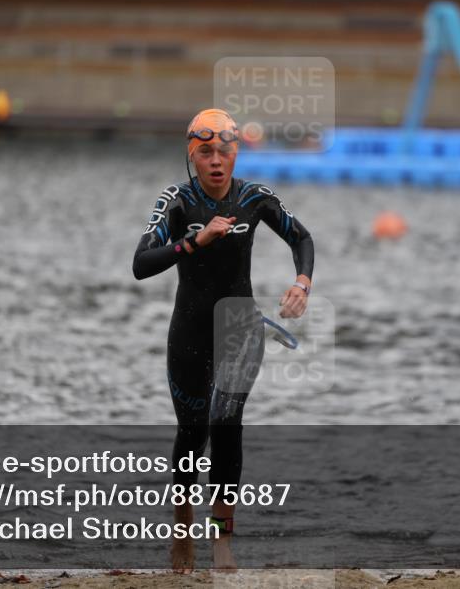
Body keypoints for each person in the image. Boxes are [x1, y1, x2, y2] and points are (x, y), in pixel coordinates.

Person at [132, 108, 314, 572]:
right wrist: (194, 242)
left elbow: (301, 237)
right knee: (192, 434)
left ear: (235, 155)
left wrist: (301, 283)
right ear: (192, 157)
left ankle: (222, 540)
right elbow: (141, 263)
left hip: (239, 327)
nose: (216, 161)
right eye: (206, 152)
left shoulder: (254, 199)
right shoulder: (177, 202)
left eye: (224, 151)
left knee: (226, 423)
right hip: (189, 329)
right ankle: (181, 528)